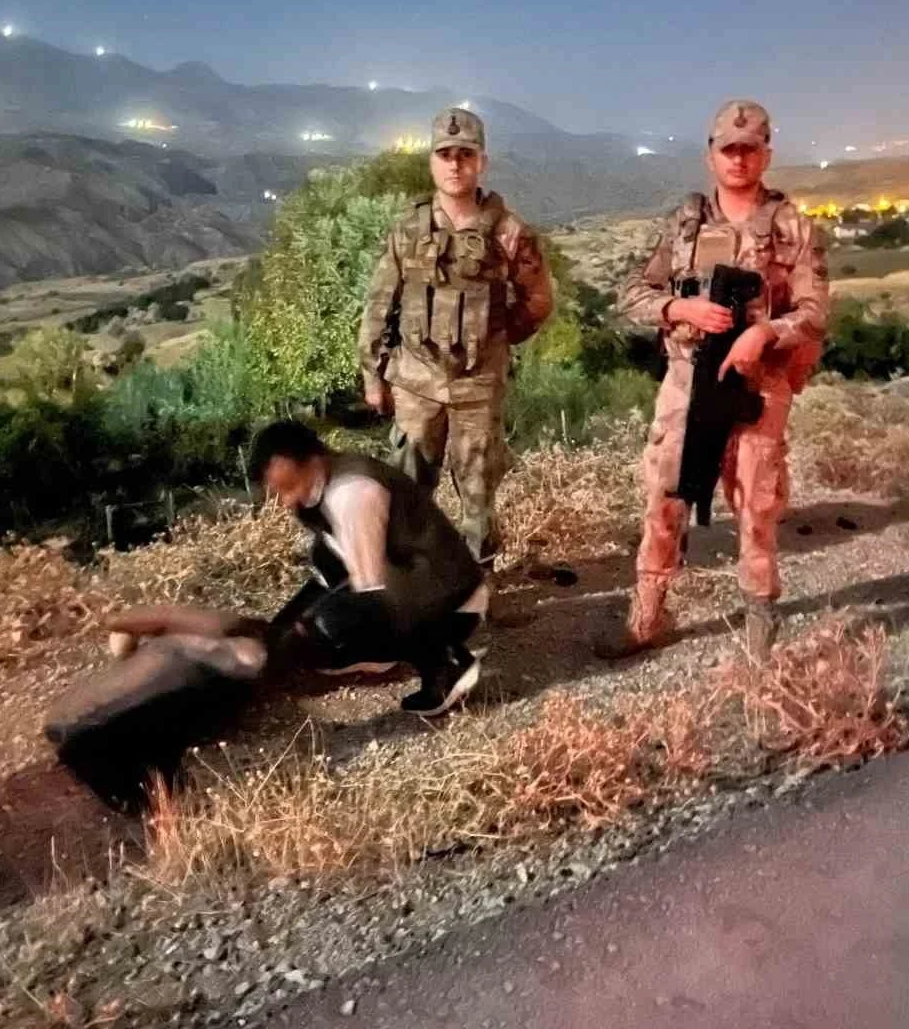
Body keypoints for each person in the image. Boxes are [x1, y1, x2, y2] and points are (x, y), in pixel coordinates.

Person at [595, 100, 830, 661]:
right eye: (729, 149)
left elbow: (816, 311)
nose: (739, 159)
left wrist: (765, 332)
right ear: (711, 156)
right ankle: (648, 615)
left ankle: (760, 623)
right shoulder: (686, 224)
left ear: (766, 154)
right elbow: (632, 293)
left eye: (750, 149)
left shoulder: (793, 226)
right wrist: (680, 308)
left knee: (756, 503)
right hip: (688, 379)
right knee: (666, 496)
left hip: (758, 382)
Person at [357, 105, 554, 570]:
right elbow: (379, 302)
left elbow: (538, 300)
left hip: (477, 388)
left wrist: (496, 339)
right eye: (445, 154)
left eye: (465, 154)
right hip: (415, 382)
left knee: (478, 497)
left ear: (482, 161)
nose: (455, 165)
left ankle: (475, 591)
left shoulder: (509, 232)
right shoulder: (409, 228)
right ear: (431, 161)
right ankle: (408, 584)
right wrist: (372, 375)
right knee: (406, 491)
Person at [250, 420, 487, 715]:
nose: (286, 502)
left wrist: (303, 635)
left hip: (452, 599)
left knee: (329, 627)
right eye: (277, 492)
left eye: (289, 488)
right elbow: (335, 567)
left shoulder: (350, 493)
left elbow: (372, 589)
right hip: (419, 581)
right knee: (318, 575)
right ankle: (418, 650)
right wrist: (276, 633)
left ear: (311, 459)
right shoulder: (324, 482)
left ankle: (445, 662)